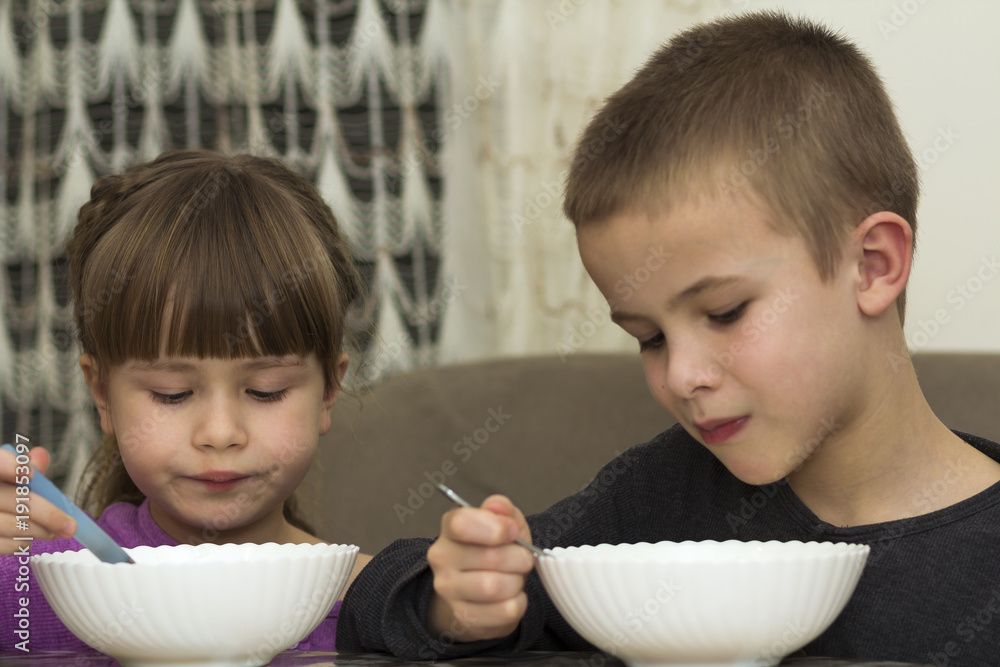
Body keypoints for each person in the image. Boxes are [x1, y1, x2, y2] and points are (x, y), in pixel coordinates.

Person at [336, 10, 1000, 665]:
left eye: (725, 311)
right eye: (649, 338)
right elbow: (390, 597)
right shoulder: (664, 498)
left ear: (873, 265)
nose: (681, 376)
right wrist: (454, 600)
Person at [0, 149, 373, 651]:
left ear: (328, 390)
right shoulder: (34, 586)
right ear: (102, 395)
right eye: (171, 394)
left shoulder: (385, 605)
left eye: (266, 391)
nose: (220, 433)